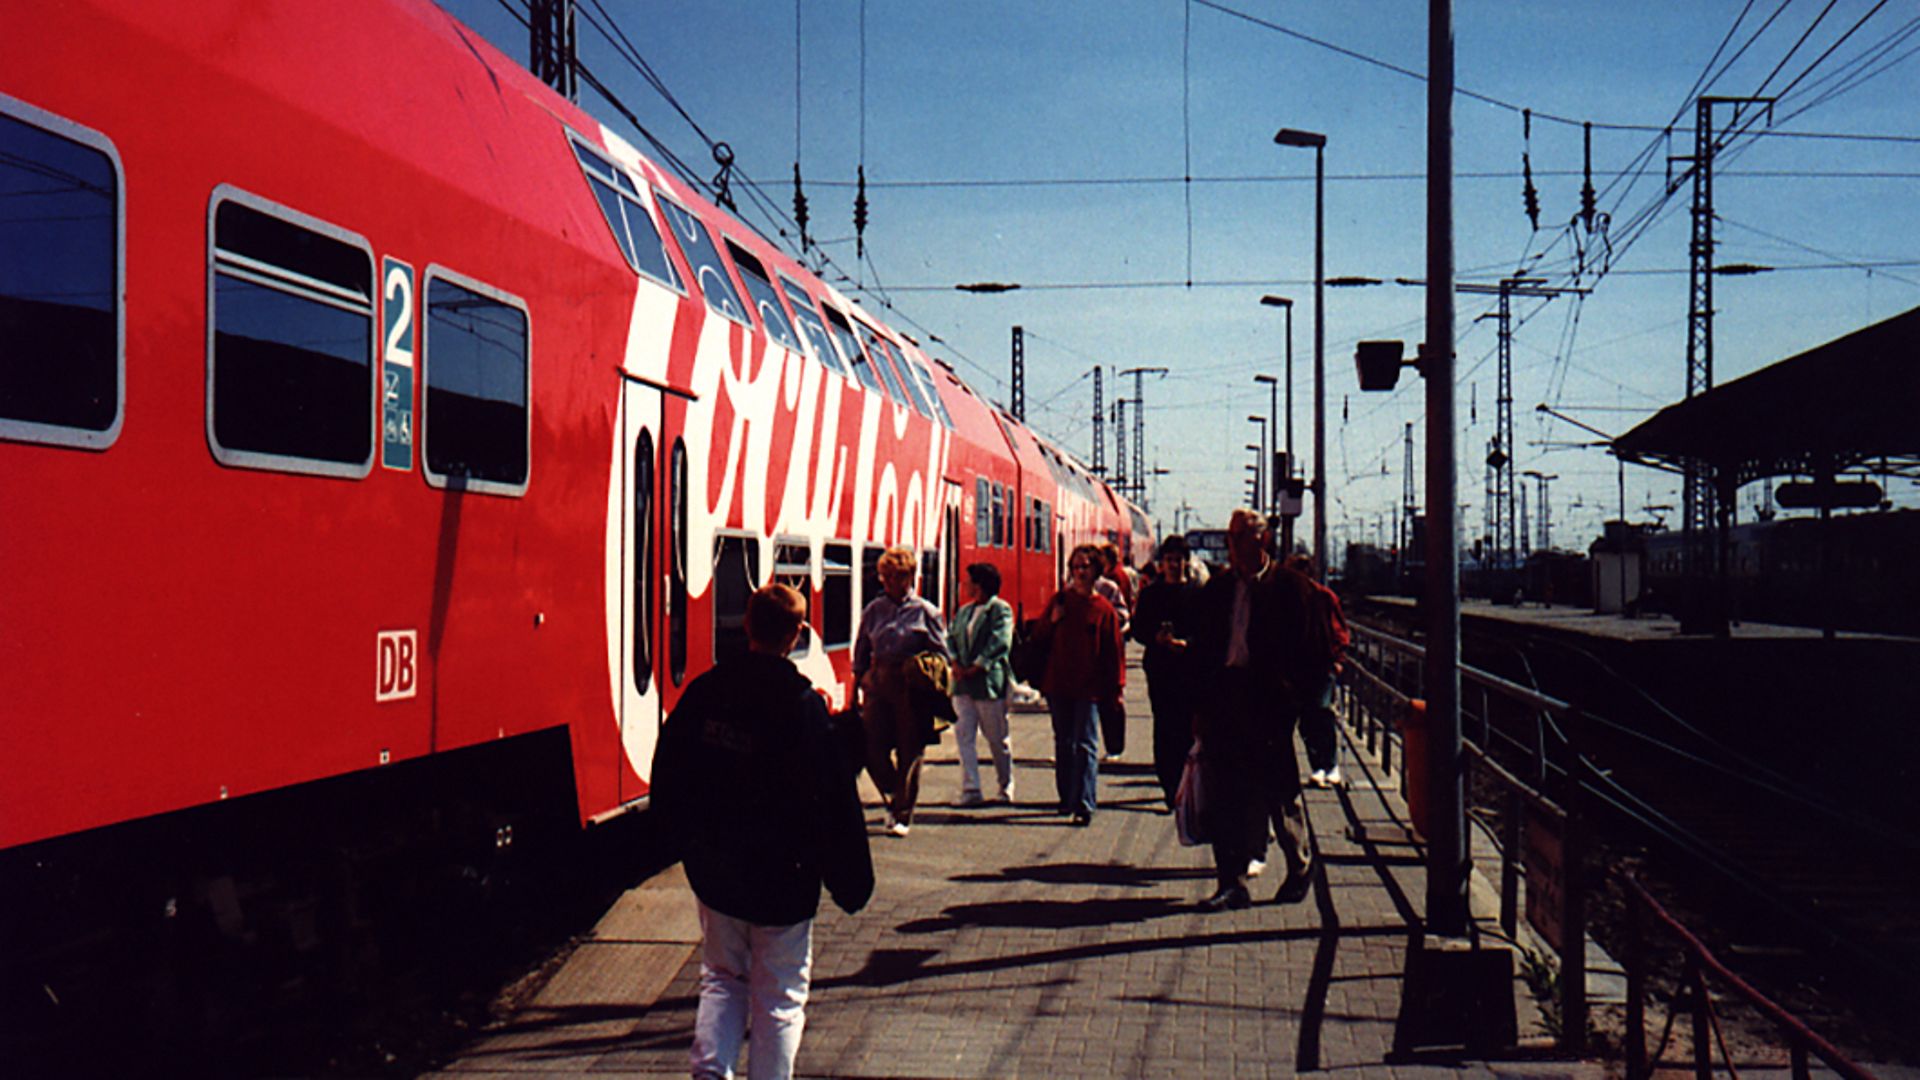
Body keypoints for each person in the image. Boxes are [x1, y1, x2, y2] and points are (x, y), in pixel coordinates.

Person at [650, 583, 874, 1080]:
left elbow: (670, 771)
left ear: (746, 627)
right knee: (779, 996)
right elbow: (832, 800)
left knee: (722, 979)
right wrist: (851, 881)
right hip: (783, 881)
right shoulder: (802, 706)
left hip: (717, 873)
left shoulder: (706, 691)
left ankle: (710, 1073)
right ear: (796, 636)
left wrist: (683, 842)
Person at [1190, 508, 1317, 911]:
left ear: (1260, 540)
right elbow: (1202, 650)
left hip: (1269, 705)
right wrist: (1199, 707)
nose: (1230, 545)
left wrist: (1293, 703)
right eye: (1230, 537)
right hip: (1224, 700)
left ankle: (1300, 866)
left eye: (1238, 537)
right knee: (1225, 795)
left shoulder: (1291, 589)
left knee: (1279, 793)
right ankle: (1231, 881)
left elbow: (1311, 651)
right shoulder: (1218, 590)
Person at [852, 546, 950, 837]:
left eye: (901, 576)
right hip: (879, 681)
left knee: (911, 748)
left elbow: (942, 653)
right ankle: (895, 793)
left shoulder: (926, 612)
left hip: (912, 685)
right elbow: (862, 648)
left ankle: (902, 814)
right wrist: (860, 680)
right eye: (888, 576)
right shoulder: (873, 610)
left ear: (912, 577)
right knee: (871, 747)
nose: (894, 582)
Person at [1034, 543, 1124, 826]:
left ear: (1096, 571)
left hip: (1090, 688)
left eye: (1085, 567)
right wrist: (1052, 620)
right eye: (1075, 567)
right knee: (1065, 743)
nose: (1080, 572)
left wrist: (1117, 689)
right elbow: (1038, 637)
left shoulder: (1104, 609)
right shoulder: (1060, 601)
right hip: (1059, 683)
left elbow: (1114, 653)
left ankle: (1085, 803)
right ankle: (1066, 799)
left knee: (1086, 744)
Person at [1130, 534, 1205, 809]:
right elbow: (1138, 630)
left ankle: (1186, 787)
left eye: (1178, 560)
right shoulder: (1151, 594)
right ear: (1162, 563)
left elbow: (1208, 632)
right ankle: (1169, 786)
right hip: (1161, 670)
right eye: (1169, 560)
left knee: (1188, 729)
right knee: (1163, 728)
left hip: (1189, 669)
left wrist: (1188, 643)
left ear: (1187, 562)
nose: (1174, 565)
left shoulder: (1198, 594)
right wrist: (1155, 638)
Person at [946, 562, 1016, 806]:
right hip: (962, 685)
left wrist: (977, 665)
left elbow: (1000, 641)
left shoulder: (1000, 610)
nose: (964, 585)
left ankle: (1005, 785)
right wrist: (954, 662)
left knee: (996, 738)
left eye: (968, 581)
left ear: (979, 585)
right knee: (964, 735)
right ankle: (971, 788)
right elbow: (951, 637)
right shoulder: (963, 612)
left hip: (987, 684)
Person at [1286, 553, 1349, 788]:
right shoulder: (1285, 600)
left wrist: (1338, 659)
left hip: (1322, 664)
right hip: (1295, 667)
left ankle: (1330, 764)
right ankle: (1318, 766)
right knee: (1306, 719)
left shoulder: (1324, 598)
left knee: (1321, 712)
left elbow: (1339, 631)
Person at [1093, 542, 1131, 760]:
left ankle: (1114, 746)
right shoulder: (1071, 587)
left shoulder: (1110, 587)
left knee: (1111, 698)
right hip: (1084, 654)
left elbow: (1123, 614)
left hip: (1108, 649)